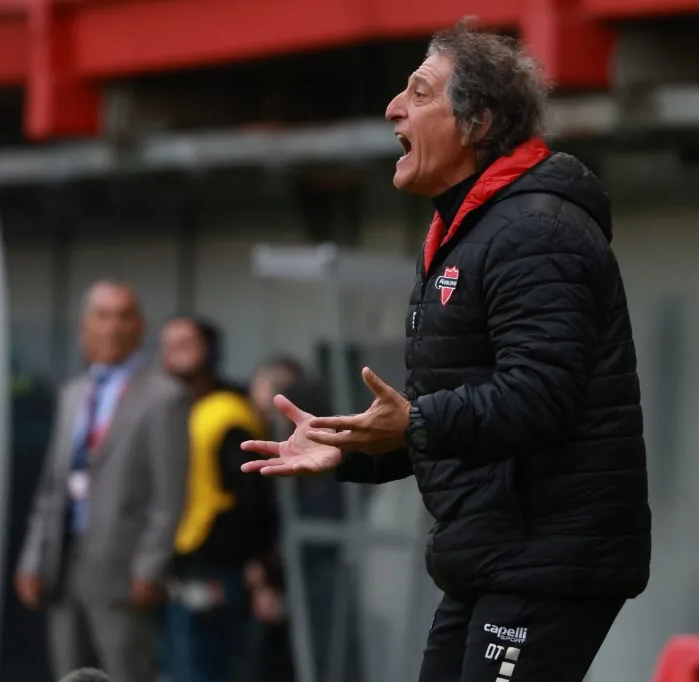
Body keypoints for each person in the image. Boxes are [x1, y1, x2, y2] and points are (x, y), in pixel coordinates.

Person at [240, 20, 651, 682]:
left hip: (546, 559)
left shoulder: (536, 229)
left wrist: (418, 422)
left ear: (478, 122)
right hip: (492, 554)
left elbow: (539, 397)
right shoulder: (472, 230)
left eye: (419, 91)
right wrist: (349, 448)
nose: (393, 108)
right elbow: (458, 416)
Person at [15, 281, 190, 682]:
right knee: (71, 672)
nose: (113, 327)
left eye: (124, 316)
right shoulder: (73, 395)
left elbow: (170, 497)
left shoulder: (164, 397)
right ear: (85, 326)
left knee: (127, 671)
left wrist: (151, 567)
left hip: (122, 569)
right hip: (64, 561)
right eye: (103, 316)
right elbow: (51, 488)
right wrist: (33, 557)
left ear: (140, 326)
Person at [159, 316, 279, 682]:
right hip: (177, 563)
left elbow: (254, 493)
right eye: (168, 345)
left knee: (203, 667)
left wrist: (260, 563)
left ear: (209, 351)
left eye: (186, 343)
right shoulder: (175, 409)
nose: (174, 353)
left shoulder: (227, 413)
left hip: (213, 564)